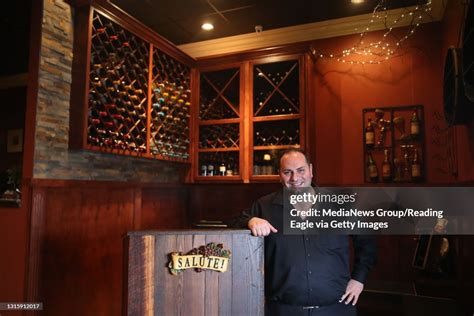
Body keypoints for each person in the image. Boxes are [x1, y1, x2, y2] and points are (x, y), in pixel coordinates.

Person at [239, 148, 377, 316]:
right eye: (287, 172)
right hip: (282, 311)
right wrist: (250, 221)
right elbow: (232, 223)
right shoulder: (263, 206)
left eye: (300, 170)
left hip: (337, 309)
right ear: (279, 175)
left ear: (311, 171)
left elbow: (367, 244)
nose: (295, 178)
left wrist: (359, 279)